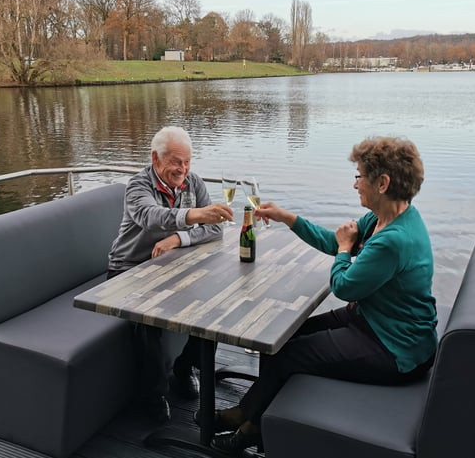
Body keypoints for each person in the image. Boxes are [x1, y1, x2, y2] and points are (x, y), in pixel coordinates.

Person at [207, 136, 438, 453]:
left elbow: (343, 285)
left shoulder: (394, 239)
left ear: (382, 183)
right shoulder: (384, 218)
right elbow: (334, 242)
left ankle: (249, 425)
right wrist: (288, 218)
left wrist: (345, 249)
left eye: (359, 176)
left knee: (289, 355)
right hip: (375, 322)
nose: (355, 185)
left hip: (396, 349)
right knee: (282, 337)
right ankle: (255, 418)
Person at [107, 126, 233, 423]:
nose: (183, 169)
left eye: (188, 162)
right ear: (155, 158)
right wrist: (194, 216)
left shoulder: (194, 182)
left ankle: (185, 367)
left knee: (214, 300)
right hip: (129, 269)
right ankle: (153, 394)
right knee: (147, 320)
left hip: (174, 264)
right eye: (176, 161)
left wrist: (178, 239)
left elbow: (215, 229)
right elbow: (151, 218)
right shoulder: (138, 186)